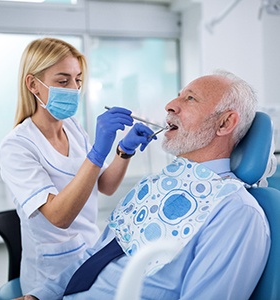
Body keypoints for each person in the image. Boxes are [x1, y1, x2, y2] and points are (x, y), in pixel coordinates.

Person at [20, 70, 271, 300]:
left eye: (190, 99)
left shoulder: (236, 213)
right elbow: (94, 256)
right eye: (178, 96)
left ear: (225, 123)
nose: (170, 105)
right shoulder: (155, 185)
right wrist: (40, 296)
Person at [0, 37, 156, 294]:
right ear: (33, 85)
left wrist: (124, 150)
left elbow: (104, 185)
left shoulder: (73, 128)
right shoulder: (17, 147)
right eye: (63, 81)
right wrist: (95, 154)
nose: (73, 88)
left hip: (88, 254)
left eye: (78, 80)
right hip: (49, 274)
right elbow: (60, 217)